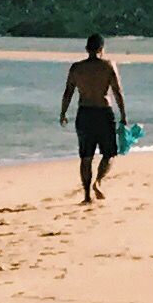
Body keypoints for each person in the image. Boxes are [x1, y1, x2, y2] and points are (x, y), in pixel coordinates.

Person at [60, 35, 128, 204]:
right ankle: (98, 182)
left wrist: (63, 113)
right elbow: (118, 91)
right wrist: (123, 115)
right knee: (110, 153)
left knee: (86, 156)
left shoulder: (77, 68)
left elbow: (68, 93)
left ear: (86, 49)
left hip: (85, 113)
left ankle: (86, 196)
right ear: (102, 49)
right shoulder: (108, 66)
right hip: (104, 112)